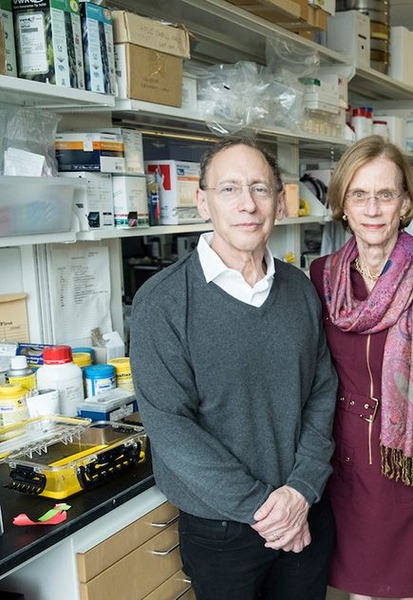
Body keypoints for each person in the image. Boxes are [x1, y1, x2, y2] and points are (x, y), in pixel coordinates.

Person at [130, 138, 338, 600]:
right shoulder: (162, 304)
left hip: (304, 512)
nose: (247, 204)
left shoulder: (299, 291)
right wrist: (267, 508)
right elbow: (170, 426)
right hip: (222, 531)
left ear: (279, 202)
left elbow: (322, 394)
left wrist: (301, 491)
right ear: (202, 201)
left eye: (260, 189)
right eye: (229, 189)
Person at [309, 135, 413, 600]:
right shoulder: (321, 275)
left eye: (386, 194)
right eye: (360, 194)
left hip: (409, 463)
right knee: (361, 591)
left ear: (405, 202)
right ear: (342, 203)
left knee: (411, 590)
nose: (373, 208)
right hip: (343, 466)